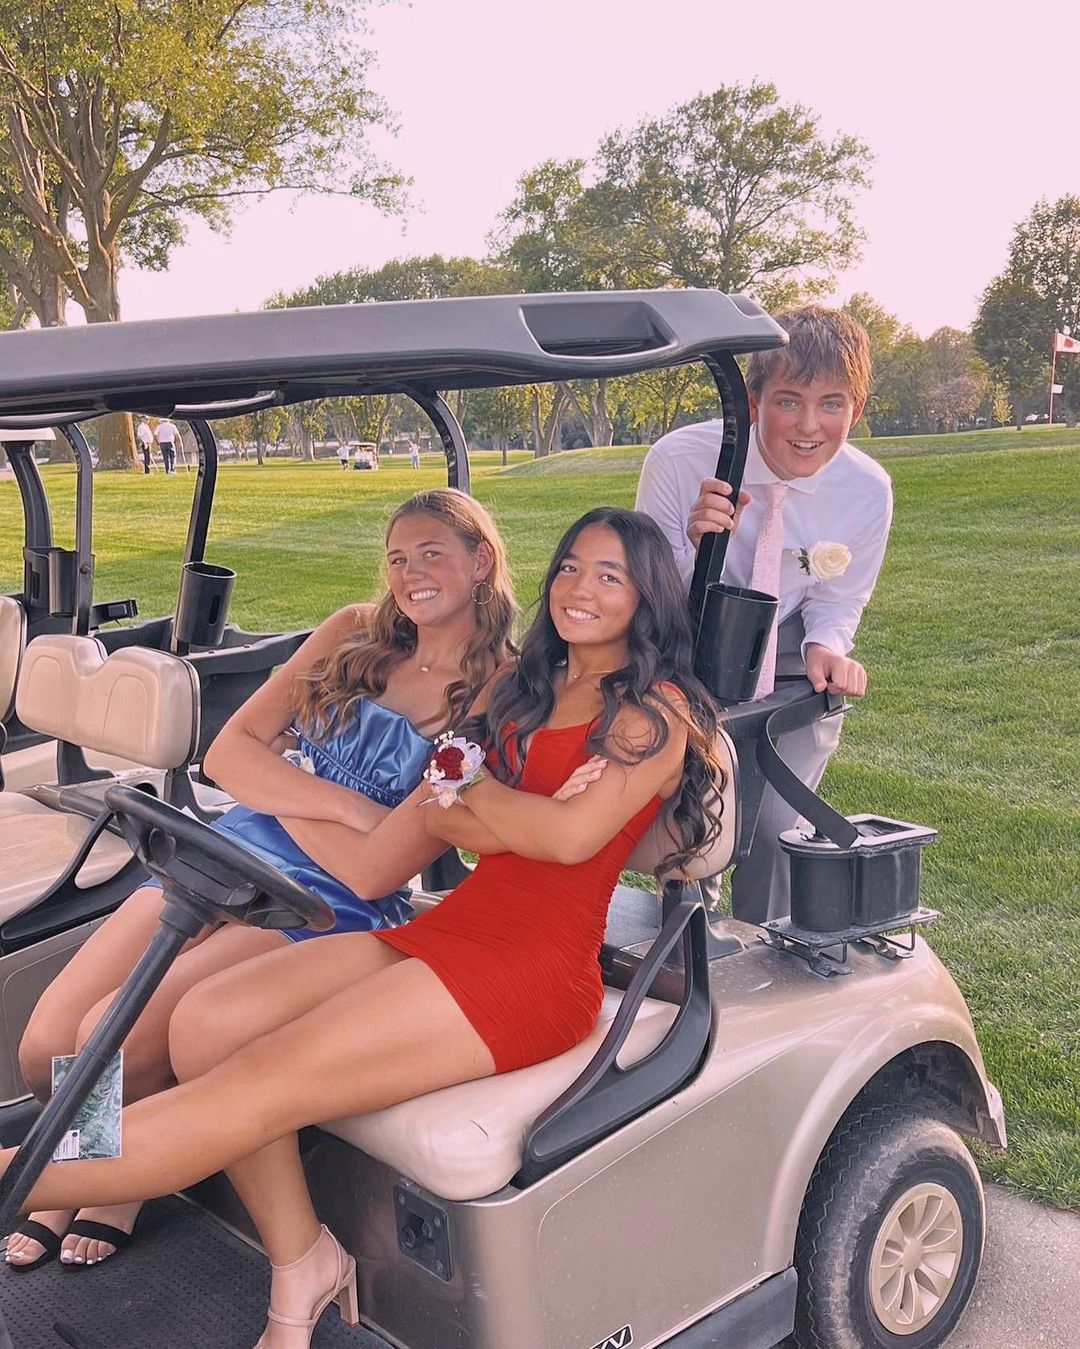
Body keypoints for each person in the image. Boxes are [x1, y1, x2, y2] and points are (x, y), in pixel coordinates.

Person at [0, 509, 725, 1349]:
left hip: (525, 970)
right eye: (569, 567)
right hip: (448, 929)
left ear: (646, 594)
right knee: (202, 1021)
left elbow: (559, 838)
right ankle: (300, 1252)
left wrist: (481, 798)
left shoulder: (652, 711)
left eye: (609, 575)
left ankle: (30, 1174)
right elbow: (450, 817)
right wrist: (495, 808)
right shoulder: (534, 685)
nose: (579, 588)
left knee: (250, 1082)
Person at [4, 488, 517, 1274]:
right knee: (46, 1043)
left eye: (431, 554)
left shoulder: (495, 692)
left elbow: (383, 862)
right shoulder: (353, 631)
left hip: (327, 901)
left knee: (112, 1035)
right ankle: (100, 1158)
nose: (410, 573)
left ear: (481, 561)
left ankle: (106, 1179)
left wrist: (283, 781)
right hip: (228, 848)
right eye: (397, 558)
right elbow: (227, 754)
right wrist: (346, 805)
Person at [636, 306, 892, 924]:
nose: (808, 426)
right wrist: (697, 549)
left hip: (788, 657)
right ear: (753, 403)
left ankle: (763, 951)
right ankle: (688, 944)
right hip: (686, 651)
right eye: (788, 401)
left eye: (831, 404)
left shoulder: (867, 489)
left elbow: (839, 596)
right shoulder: (678, 460)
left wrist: (826, 643)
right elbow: (650, 595)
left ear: (856, 410)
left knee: (776, 831)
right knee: (695, 825)